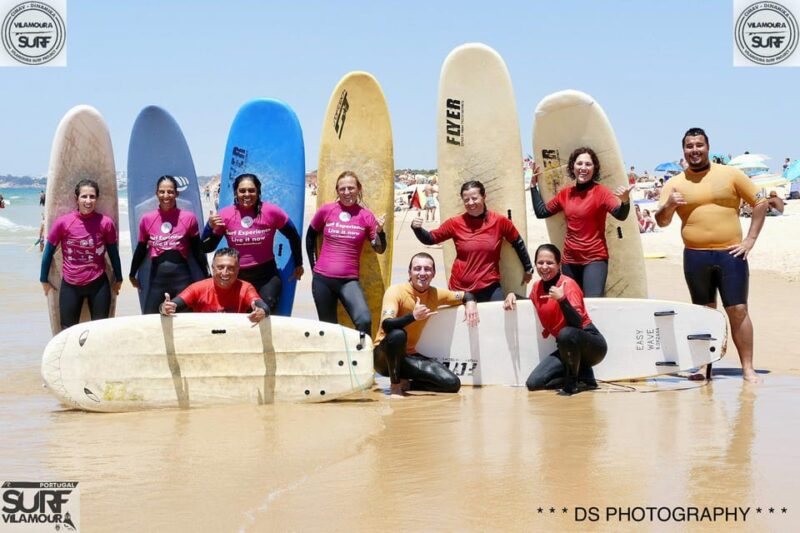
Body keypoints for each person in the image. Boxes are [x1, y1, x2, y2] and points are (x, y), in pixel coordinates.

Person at [655, 127, 767, 383]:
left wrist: (750, 240)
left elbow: (760, 201)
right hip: (696, 257)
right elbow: (661, 221)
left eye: (699, 145)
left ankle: (748, 368)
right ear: (683, 150)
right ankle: (704, 367)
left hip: (731, 255)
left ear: (708, 147)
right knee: (703, 312)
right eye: (689, 146)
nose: (694, 150)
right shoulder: (674, 183)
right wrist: (669, 205)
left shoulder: (730, 174)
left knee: (738, 310)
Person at [503, 244, 607, 395]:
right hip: (567, 348)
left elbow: (577, 323)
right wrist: (513, 294)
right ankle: (584, 379)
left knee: (565, 333)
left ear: (559, 265)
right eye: (540, 262)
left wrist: (562, 299)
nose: (544, 267)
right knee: (534, 383)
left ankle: (571, 385)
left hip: (591, 346)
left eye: (550, 263)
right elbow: (531, 301)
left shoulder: (568, 285)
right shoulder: (537, 287)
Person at [529, 147, 633, 297]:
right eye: (579, 163)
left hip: (595, 259)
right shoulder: (565, 194)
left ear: (594, 168)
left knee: (592, 303)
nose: (583, 168)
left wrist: (625, 201)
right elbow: (541, 212)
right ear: (573, 167)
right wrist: (533, 187)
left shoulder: (601, 192)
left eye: (588, 164)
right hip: (569, 260)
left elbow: (620, 215)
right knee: (571, 303)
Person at [374, 252, 479, 396]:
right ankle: (395, 387)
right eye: (417, 268)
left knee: (452, 384)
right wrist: (413, 316)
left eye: (427, 269)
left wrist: (471, 302)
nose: (422, 273)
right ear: (409, 273)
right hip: (383, 357)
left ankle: (407, 384)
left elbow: (466, 295)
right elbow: (387, 325)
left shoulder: (435, 294)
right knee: (398, 334)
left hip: (408, 357)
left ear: (433, 273)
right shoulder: (395, 291)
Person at [411, 180, 533, 302]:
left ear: (484, 197)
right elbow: (430, 239)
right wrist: (417, 229)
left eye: (474, 198)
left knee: (501, 310)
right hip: (460, 289)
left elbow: (518, 242)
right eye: (466, 200)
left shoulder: (499, 221)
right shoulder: (455, 223)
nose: (470, 203)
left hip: (489, 286)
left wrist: (528, 268)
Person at [200, 173, 303, 313]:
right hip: (236, 278)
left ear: (258, 192)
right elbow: (206, 247)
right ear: (235, 193)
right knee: (238, 319)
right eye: (242, 191)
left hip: (267, 277)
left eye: (251, 190)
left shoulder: (271, 212)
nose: (247, 194)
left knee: (263, 313)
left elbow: (293, 236)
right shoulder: (225, 215)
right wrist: (209, 227)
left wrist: (298, 263)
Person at [306, 170, 386, 336]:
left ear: (359, 189)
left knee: (364, 320)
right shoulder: (327, 210)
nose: (347, 192)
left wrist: (380, 232)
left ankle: (362, 352)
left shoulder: (366, 216)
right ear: (337, 190)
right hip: (322, 280)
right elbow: (310, 237)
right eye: (342, 189)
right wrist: (313, 268)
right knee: (328, 330)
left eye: (351, 188)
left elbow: (379, 249)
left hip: (349, 281)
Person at [39, 179, 123, 330]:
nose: (88, 201)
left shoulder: (105, 223)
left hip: (98, 284)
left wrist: (119, 278)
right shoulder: (63, 223)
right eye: (84, 196)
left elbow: (113, 253)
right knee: (67, 331)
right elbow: (49, 251)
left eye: (92, 197)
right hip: (71, 285)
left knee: (100, 330)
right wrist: (43, 279)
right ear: (76, 198)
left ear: (97, 199)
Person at [129, 175, 209, 314]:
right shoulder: (147, 219)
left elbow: (197, 250)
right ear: (156, 193)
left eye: (170, 192)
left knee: (185, 320)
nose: (166, 196)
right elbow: (141, 248)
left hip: (182, 279)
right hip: (157, 280)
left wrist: (207, 275)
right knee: (150, 318)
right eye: (162, 192)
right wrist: (132, 273)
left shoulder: (188, 218)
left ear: (177, 193)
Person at [160, 248, 268, 324]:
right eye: (220, 267)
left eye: (230, 268)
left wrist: (262, 311)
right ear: (213, 268)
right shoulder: (197, 288)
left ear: (238, 269)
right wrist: (165, 308)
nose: (225, 273)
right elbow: (171, 305)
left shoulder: (245, 288)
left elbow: (262, 306)